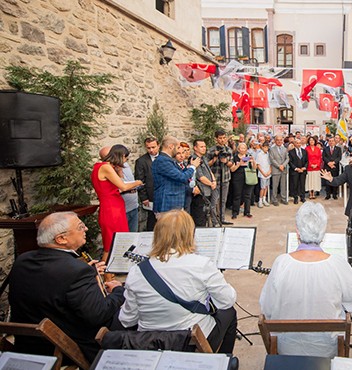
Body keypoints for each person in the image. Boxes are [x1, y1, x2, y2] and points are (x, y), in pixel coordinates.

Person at [8, 212, 125, 362]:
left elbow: (50, 285)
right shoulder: (76, 271)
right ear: (61, 239)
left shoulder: (22, 261)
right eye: (80, 227)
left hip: (30, 345)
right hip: (67, 349)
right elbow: (98, 315)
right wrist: (118, 291)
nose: (86, 229)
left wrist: (87, 278)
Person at [119, 210, 237, 353]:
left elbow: (127, 319)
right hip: (190, 341)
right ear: (190, 234)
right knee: (229, 313)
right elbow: (227, 300)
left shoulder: (137, 271)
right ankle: (223, 362)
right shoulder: (201, 264)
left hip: (150, 343)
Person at [259, 202, 352, 357]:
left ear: (297, 232)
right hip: (327, 348)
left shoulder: (281, 263)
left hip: (287, 347)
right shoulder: (336, 264)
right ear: (323, 233)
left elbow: (266, 308)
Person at [92, 144, 143, 261]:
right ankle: (106, 274)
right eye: (126, 158)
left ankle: (112, 272)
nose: (125, 162)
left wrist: (119, 171)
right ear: (121, 156)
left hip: (114, 207)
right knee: (110, 245)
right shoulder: (105, 167)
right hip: (111, 208)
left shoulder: (101, 167)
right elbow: (123, 187)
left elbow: (116, 184)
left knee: (119, 241)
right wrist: (137, 182)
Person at [152, 136, 200, 215]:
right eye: (178, 147)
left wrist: (188, 167)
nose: (179, 150)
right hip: (167, 205)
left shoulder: (169, 160)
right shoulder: (162, 161)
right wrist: (193, 167)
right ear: (171, 146)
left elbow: (179, 174)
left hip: (174, 204)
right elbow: (182, 177)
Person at [208, 130, 234, 226]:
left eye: (224, 138)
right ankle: (214, 221)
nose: (222, 140)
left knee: (223, 200)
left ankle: (222, 218)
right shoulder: (211, 150)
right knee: (214, 201)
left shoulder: (229, 150)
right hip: (215, 179)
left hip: (226, 178)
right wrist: (215, 158)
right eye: (220, 138)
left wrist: (226, 161)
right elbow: (207, 164)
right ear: (216, 139)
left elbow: (231, 164)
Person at [190, 139, 216, 227]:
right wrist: (211, 184)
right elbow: (200, 177)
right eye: (201, 147)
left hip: (208, 191)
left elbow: (209, 171)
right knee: (199, 217)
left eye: (204, 146)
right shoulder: (194, 159)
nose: (204, 148)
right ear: (195, 148)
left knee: (205, 216)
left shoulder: (203, 158)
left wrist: (214, 180)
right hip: (200, 192)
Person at [135, 137, 159, 231]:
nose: (151, 150)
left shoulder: (165, 158)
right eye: (148, 148)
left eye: (153, 147)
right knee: (152, 221)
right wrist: (144, 197)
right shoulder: (141, 161)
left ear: (158, 146)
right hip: (151, 195)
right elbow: (139, 180)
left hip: (164, 194)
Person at [229, 142, 256, 219]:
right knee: (237, 195)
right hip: (237, 177)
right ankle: (235, 212)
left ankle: (247, 212)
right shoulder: (234, 157)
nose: (243, 150)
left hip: (248, 177)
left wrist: (253, 161)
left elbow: (254, 168)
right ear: (238, 149)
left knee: (247, 195)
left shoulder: (249, 156)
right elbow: (232, 169)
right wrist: (239, 164)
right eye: (241, 148)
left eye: (244, 148)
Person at [269, 134, 290, 206]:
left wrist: (283, 165)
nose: (279, 141)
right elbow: (272, 159)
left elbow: (287, 158)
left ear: (282, 141)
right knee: (275, 186)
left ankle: (283, 198)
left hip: (283, 170)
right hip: (275, 170)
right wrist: (279, 166)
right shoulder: (272, 149)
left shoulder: (285, 149)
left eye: (280, 140)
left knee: (283, 185)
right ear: (275, 141)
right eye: (277, 140)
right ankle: (274, 199)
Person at [289, 138, 308, 204]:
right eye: (297, 143)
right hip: (295, 171)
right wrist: (296, 168)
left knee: (302, 184)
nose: (298, 144)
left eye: (299, 143)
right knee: (295, 184)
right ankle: (295, 198)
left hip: (303, 171)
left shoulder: (304, 151)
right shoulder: (291, 152)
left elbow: (307, 161)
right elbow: (290, 162)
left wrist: (304, 167)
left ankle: (302, 197)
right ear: (294, 144)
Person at [255, 140, 272, 208]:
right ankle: (260, 200)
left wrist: (269, 171)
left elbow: (270, 164)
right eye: (265, 147)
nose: (266, 149)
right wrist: (263, 173)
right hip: (262, 174)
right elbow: (258, 165)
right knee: (262, 187)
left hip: (268, 173)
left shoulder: (268, 154)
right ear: (262, 147)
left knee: (266, 187)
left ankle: (265, 199)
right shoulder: (259, 154)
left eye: (267, 147)